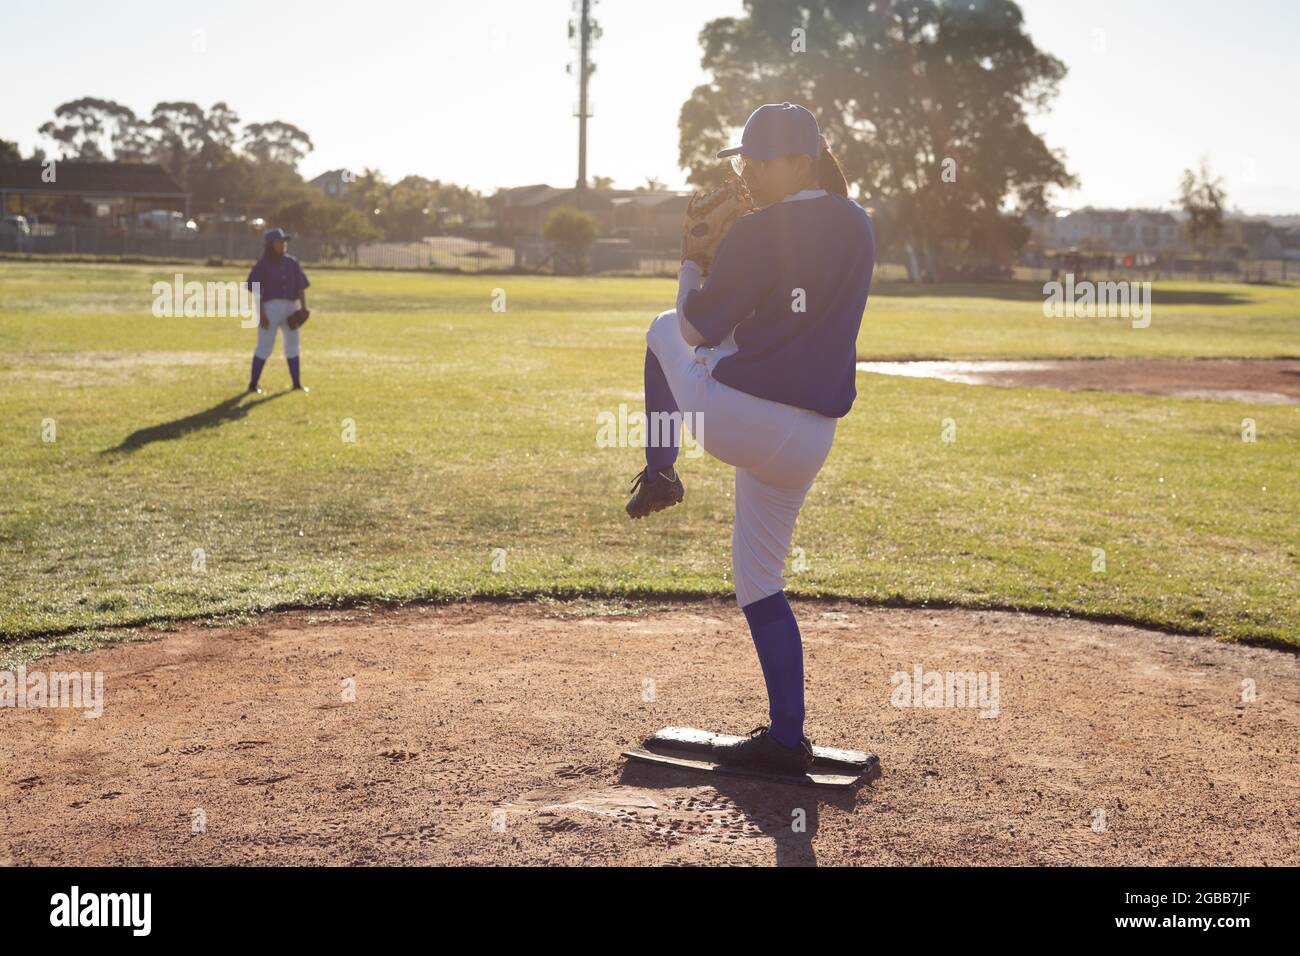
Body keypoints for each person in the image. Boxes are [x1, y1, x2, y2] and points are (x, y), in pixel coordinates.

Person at [627, 103, 875, 773]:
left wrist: (692, 261)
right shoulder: (859, 224)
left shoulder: (761, 230)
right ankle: (786, 739)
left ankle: (660, 469)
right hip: (810, 439)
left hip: (744, 419)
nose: (749, 172)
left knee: (657, 328)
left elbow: (694, 329)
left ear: (801, 160)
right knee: (759, 580)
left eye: (761, 161)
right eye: (745, 160)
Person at [246, 227, 310, 393]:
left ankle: (296, 384)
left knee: (293, 345)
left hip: (291, 307)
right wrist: (261, 314)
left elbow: (301, 287)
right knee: (264, 346)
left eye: (284, 241)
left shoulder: (292, 262)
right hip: (270, 307)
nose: (283, 244)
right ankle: (253, 384)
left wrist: (303, 307)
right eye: (279, 241)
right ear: (270, 244)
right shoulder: (262, 265)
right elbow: (256, 291)